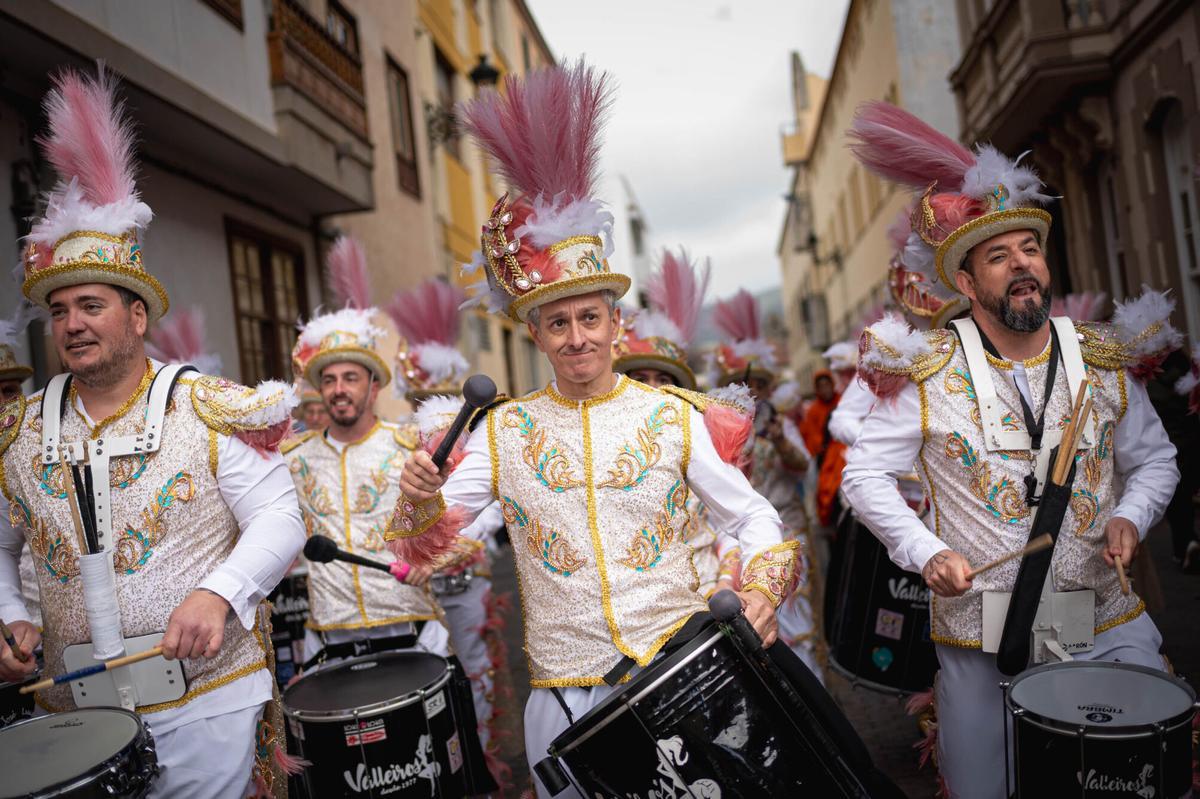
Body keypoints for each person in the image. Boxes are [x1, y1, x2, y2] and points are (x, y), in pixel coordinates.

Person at [384, 61, 801, 799]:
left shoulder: (672, 416)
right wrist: (418, 496)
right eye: (557, 323)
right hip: (564, 698)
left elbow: (754, 517)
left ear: (614, 322)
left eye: (589, 318)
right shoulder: (505, 432)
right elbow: (430, 541)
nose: (576, 337)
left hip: (680, 675)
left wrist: (763, 588)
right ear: (536, 334)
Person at [841, 101, 1180, 799]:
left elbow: (1156, 460)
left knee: (1143, 776)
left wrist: (1132, 515)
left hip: (1104, 620)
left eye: (1030, 248)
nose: (1022, 264)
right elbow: (864, 475)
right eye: (999, 256)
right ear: (967, 284)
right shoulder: (927, 373)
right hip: (982, 642)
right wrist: (925, 551)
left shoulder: (1103, 360)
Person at [0, 67, 305, 797]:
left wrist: (219, 593)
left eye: (92, 305)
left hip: (208, 700)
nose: (73, 324)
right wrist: (9, 617)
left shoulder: (206, 406)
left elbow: (280, 515)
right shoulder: (18, 431)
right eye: (60, 310)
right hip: (76, 713)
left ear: (137, 316)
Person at [283, 236, 444, 665]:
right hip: (330, 636)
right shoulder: (293, 458)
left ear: (373, 388)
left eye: (351, 378)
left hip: (411, 625)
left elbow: (461, 517)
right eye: (329, 379)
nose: (339, 389)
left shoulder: (410, 446)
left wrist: (434, 558)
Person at [386, 276, 511, 768]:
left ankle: (482, 765)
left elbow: (492, 508)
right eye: (422, 394)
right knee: (429, 682)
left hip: (465, 580)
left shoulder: (478, 436)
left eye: (439, 393)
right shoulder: (398, 444)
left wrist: (446, 548)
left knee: (477, 672)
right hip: (416, 590)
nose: (431, 402)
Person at [711, 290, 823, 679]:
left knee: (797, 620)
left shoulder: (781, 426)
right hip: (739, 540)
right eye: (747, 384)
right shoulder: (718, 431)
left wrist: (778, 440)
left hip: (787, 534)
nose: (754, 391)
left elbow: (802, 466)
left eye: (760, 384)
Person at [612, 247, 737, 598]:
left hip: (708, 597)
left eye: (662, 379)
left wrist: (726, 582)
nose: (653, 388)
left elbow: (732, 521)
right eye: (641, 378)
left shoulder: (701, 439)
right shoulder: (604, 443)